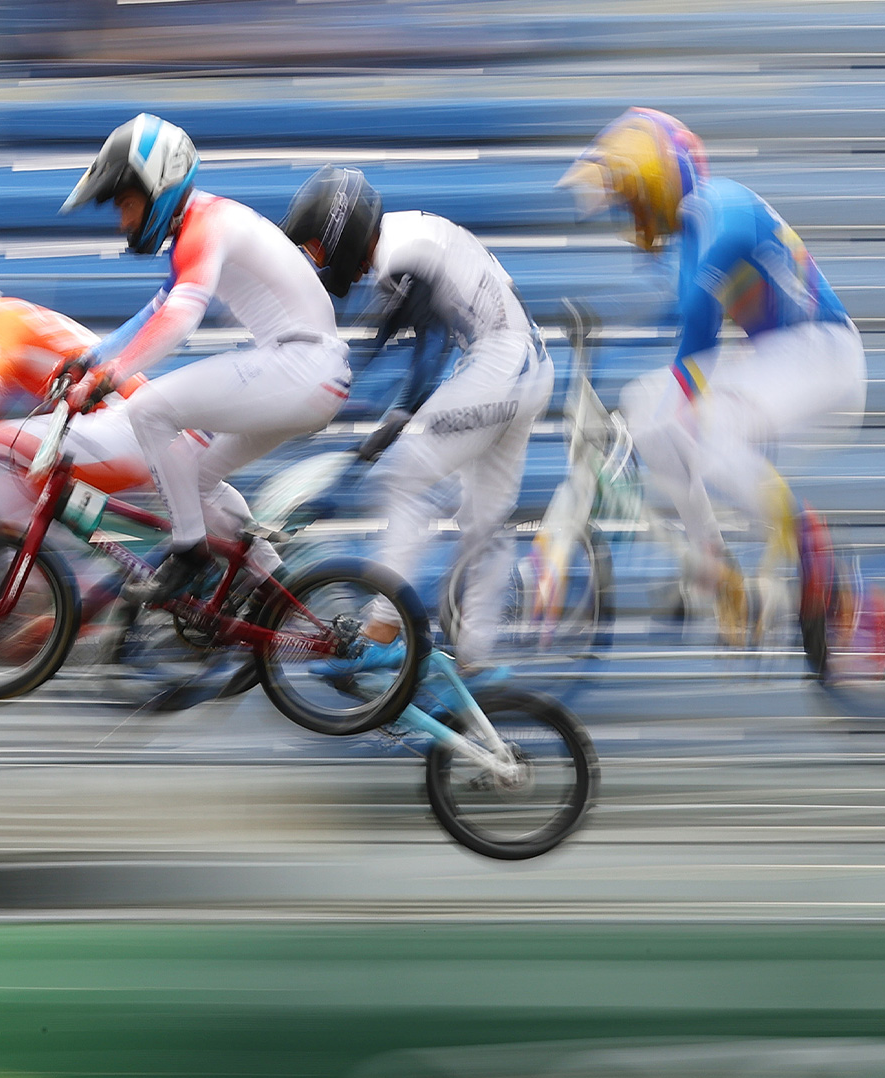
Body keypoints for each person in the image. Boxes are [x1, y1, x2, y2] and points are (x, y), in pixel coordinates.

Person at [559, 108, 865, 638]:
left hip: (821, 355)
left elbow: (698, 330)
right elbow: (678, 329)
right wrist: (601, 361)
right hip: (782, 360)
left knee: (701, 429)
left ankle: (813, 544)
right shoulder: (692, 234)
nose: (630, 216)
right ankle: (715, 568)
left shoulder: (716, 209)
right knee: (645, 406)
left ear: (658, 178)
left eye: (630, 198)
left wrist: (680, 398)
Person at [59, 114, 352, 603]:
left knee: (148, 410)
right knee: (193, 477)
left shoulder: (205, 225)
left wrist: (111, 376)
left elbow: (177, 320)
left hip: (303, 368)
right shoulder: (200, 225)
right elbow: (156, 310)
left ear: (159, 187)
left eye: (127, 204)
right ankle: (278, 597)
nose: (123, 222)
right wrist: (90, 357)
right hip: (308, 373)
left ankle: (190, 554)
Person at [283, 165, 554, 678]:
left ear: (342, 237)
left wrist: (395, 418)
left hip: (500, 363)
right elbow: (390, 338)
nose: (321, 262)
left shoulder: (397, 255)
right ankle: (477, 665)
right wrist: (379, 409)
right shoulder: (407, 236)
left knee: (401, 479)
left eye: (319, 249)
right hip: (530, 370)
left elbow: (426, 346)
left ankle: (383, 629)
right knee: (484, 523)